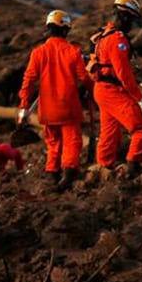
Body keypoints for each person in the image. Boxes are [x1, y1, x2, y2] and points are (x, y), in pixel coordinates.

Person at [17, 10, 92, 190]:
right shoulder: (73, 52)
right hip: (68, 107)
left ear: (48, 29)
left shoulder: (38, 53)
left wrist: (23, 108)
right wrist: (92, 91)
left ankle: (52, 172)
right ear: (65, 30)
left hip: (47, 109)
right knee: (72, 141)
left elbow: (28, 82)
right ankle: (68, 174)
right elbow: (85, 78)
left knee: (53, 141)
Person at [87, 0, 142, 179]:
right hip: (111, 91)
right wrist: (140, 100)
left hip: (101, 90)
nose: (131, 25)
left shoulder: (103, 34)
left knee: (110, 131)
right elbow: (124, 74)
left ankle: (104, 167)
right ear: (124, 16)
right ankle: (133, 168)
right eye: (131, 20)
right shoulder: (117, 40)